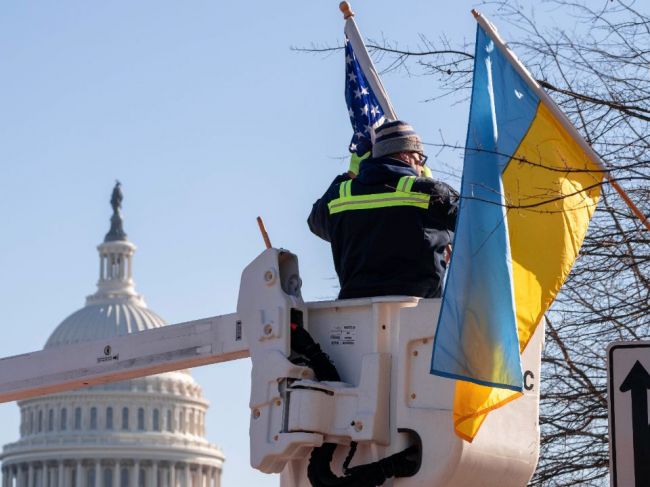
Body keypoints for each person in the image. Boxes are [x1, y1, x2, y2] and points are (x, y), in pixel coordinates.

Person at [308, 120, 458, 299]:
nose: (421, 167)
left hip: (355, 313)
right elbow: (477, 222)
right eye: (421, 159)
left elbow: (315, 222)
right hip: (420, 315)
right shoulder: (430, 193)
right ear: (406, 155)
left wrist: (348, 176)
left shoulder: (339, 195)